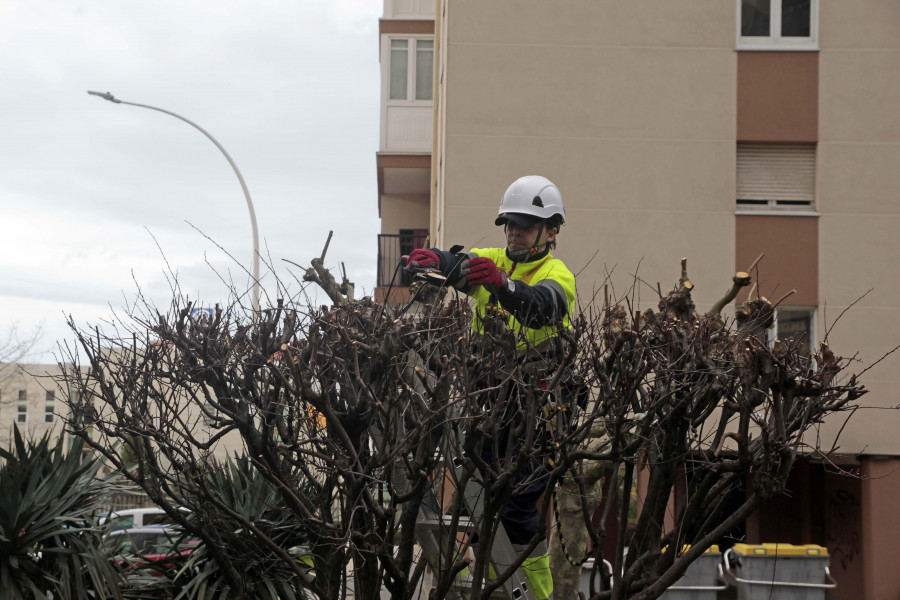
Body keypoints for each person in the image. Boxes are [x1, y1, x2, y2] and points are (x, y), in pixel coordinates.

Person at [405, 175, 575, 600]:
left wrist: (503, 285)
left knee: (516, 511)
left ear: (551, 231)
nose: (515, 232)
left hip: (540, 413)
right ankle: (487, 590)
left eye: (525, 225)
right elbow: (458, 264)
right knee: (476, 506)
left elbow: (542, 308)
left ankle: (537, 594)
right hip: (491, 405)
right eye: (510, 224)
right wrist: (434, 260)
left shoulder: (558, 275)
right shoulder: (493, 258)